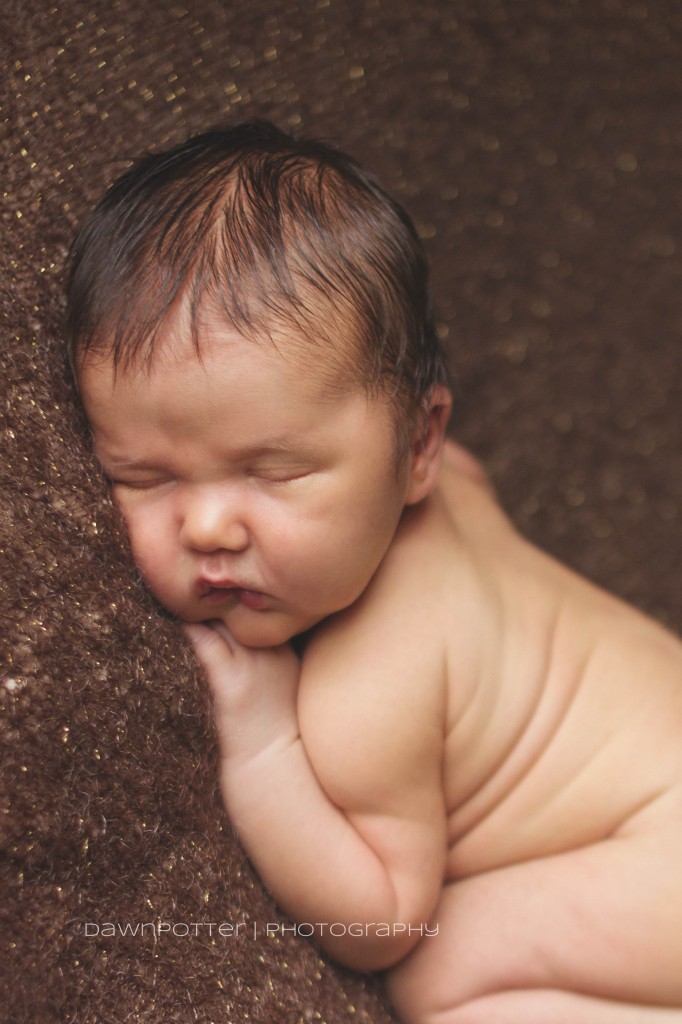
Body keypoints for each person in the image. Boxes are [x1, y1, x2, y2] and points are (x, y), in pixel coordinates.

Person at [66, 121, 682, 1023]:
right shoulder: (454, 484)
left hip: (658, 859)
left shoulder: (370, 689)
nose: (205, 524)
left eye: (273, 472)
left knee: (438, 973)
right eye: (143, 476)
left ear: (417, 446)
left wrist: (267, 747)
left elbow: (386, 922)